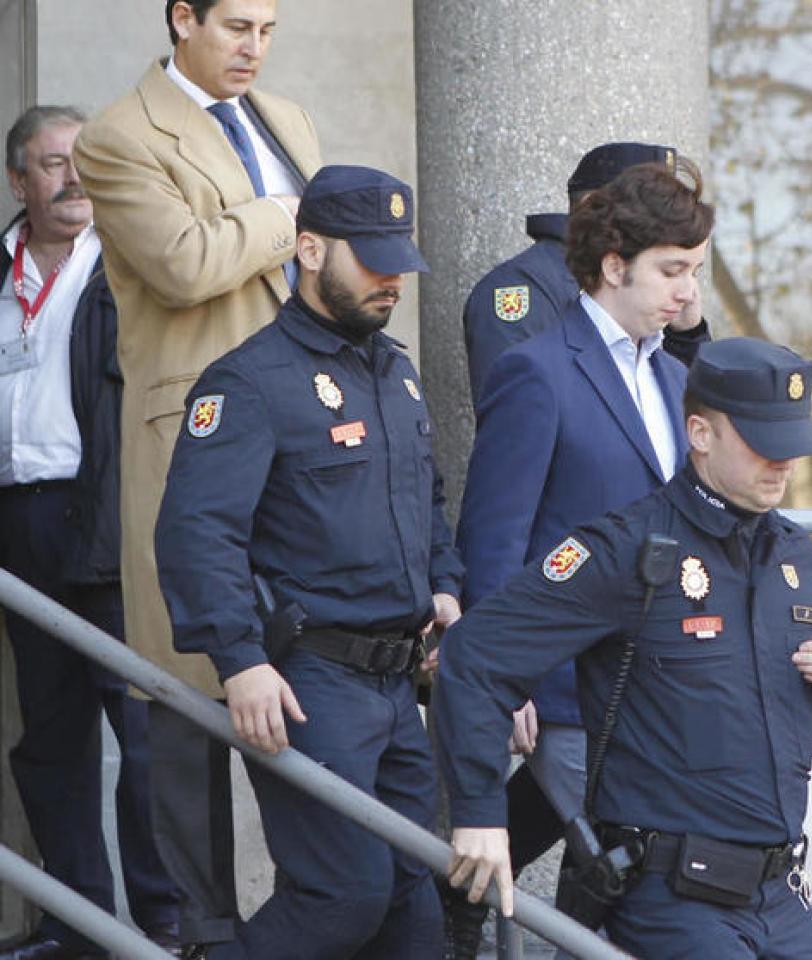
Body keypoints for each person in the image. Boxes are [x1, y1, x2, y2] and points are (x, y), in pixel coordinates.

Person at [437, 337, 812, 959]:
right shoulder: (628, 549)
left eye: (793, 446)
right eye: (763, 444)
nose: (783, 464)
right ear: (700, 433)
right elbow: (475, 656)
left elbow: (797, 709)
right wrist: (481, 817)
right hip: (674, 900)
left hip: (780, 895)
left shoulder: (790, 552)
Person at [154, 166, 460, 959]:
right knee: (342, 894)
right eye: (374, 259)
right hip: (310, 682)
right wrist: (240, 660)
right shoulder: (249, 382)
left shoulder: (396, 373)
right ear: (312, 250)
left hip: (398, 683)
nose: (393, 278)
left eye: (401, 260)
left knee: (412, 905)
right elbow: (196, 532)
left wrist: (447, 587)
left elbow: (426, 502)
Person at [73, 1, 321, 948]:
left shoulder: (286, 116)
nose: (254, 48)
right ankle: (203, 930)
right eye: (235, 27)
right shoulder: (118, 133)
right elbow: (184, 263)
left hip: (306, 429)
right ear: (181, 18)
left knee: (305, 674)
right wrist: (283, 214)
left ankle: (315, 912)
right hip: (196, 433)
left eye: (267, 29)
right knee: (185, 692)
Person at [447, 157, 712, 954]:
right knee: (627, 871)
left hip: (653, 686)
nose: (687, 293)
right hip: (563, 686)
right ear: (612, 265)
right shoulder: (539, 370)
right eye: (671, 271)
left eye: (694, 272)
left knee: (607, 884)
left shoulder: (670, 376)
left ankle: (444, 918)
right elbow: (495, 535)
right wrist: (504, 678)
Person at [0, 105, 180, 960]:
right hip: (17, 523)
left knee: (143, 736)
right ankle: (79, 930)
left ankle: (169, 926)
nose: (71, 178)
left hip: (111, 511)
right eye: (50, 164)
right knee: (51, 736)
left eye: (82, 162)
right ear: (18, 181)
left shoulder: (131, 269)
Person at [461, 141, 708, 400]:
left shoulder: (648, 290)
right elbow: (519, 416)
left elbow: (695, 421)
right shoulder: (526, 287)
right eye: (655, 210)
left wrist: (686, 337)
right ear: (594, 205)